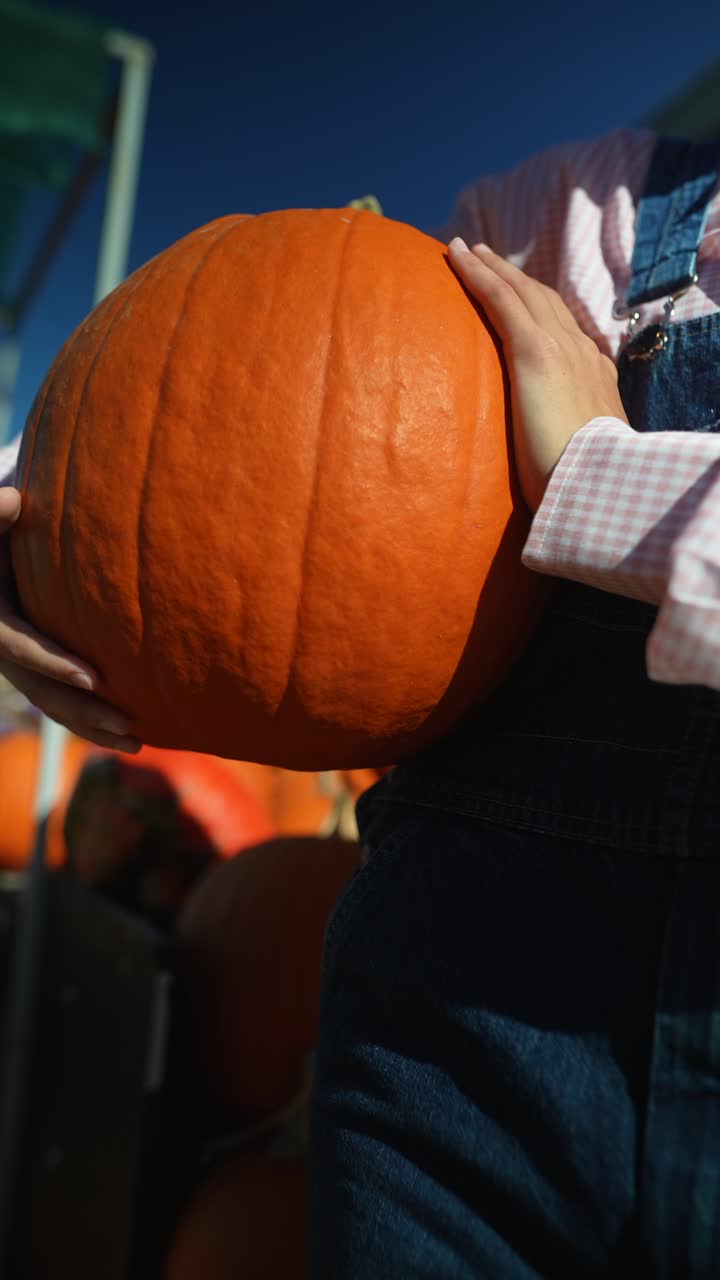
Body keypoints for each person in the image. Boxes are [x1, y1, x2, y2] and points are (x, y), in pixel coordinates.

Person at [0, 124, 719, 1274]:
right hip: (444, 1060)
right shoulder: (580, 206)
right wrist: (42, 533)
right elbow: (276, 398)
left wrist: (603, 475)